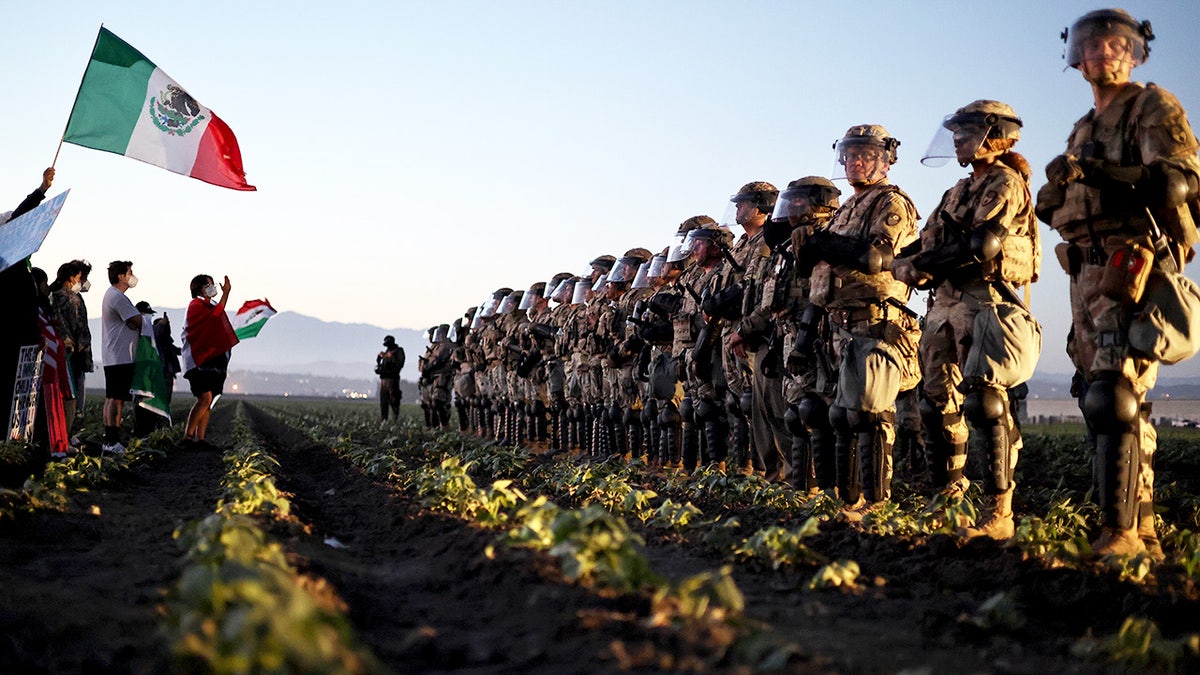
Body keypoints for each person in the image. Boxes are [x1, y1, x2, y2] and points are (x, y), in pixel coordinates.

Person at [1035, 9, 1200, 557]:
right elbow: (1061, 206)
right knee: (1099, 396)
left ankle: (1121, 534)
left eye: (1116, 45)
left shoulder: (1151, 107)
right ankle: (1141, 528)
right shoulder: (1083, 127)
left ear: (1135, 52)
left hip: (1132, 264)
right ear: (1075, 56)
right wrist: (1057, 190)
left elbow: (1177, 181)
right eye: (1093, 44)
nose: (1104, 53)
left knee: (1115, 396)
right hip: (1084, 271)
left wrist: (1097, 173)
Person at [894, 100, 1041, 540]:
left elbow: (983, 243)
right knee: (934, 405)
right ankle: (947, 502)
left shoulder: (1005, 182)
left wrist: (922, 266)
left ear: (994, 134)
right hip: (943, 306)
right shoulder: (956, 191)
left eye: (966, 131)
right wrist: (893, 261)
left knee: (985, 403)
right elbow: (924, 242)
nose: (957, 139)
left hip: (985, 301)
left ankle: (1000, 511)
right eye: (954, 132)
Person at [802, 124, 921, 522]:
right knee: (841, 415)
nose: (855, 162)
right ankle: (848, 502)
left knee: (869, 415)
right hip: (839, 323)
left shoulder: (890, 202)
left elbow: (876, 257)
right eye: (850, 155)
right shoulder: (848, 208)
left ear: (885, 160)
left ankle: (877, 503)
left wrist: (825, 244)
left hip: (875, 320)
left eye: (865, 155)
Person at [0, 168, 55, 442]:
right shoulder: (6, 265)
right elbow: (21, 216)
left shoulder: (22, 267)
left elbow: (29, 305)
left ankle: (18, 440)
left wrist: (36, 332)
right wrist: (41, 191)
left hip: (25, 339)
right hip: (9, 339)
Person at [181, 274, 238, 448]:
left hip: (211, 360)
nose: (213, 287)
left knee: (209, 399)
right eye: (209, 285)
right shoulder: (196, 305)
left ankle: (201, 438)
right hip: (198, 360)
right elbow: (214, 318)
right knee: (204, 398)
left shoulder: (209, 305)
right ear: (199, 288)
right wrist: (226, 293)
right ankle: (188, 437)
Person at [100, 260, 142, 454]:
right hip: (120, 356)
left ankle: (109, 439)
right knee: (117, 399)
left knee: (112, 397)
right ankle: (112, 440)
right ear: (121, 276)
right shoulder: (117, 297)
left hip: (114, 355)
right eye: (130, 272)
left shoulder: (113, 296)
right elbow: (136, 321)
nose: (132, 275)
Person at [49, 259, 94, 431]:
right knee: (72, 398)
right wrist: (85, 359)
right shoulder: (73, 299)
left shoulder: (52, 296)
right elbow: (80, 330)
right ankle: (66, 435)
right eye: (82, 277)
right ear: (72, 277)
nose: (83, 282)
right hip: (72, 355)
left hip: (54, 353)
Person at [376, 335, 405, 421]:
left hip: (392, 379)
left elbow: (398, 363)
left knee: (394, 400)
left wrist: (386, 356)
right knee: (383, 402)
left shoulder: (398, 351)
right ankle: (384, 420)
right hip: (384, 379)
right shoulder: (388, 351)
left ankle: (395, 419)